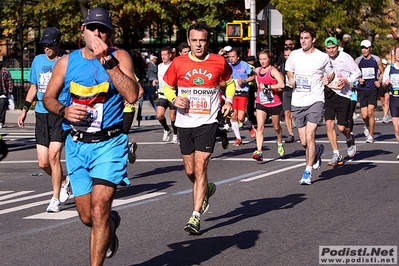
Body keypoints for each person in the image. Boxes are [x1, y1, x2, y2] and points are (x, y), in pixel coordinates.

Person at [42, 7, 140, 264]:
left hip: (110, 143)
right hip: (77, 145)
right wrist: (65, 111)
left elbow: (132, 95)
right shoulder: (67, 62)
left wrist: (107, 61)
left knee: (98, 209)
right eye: (93, 28)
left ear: (109, 33)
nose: (97, 33)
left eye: (103, 29)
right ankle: (110, 223)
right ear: (82, 30)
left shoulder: (120, 57)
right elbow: (48, 98)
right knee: (88, 217)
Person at [163, 22, 234, 234]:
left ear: (207, 41)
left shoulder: (219, 61)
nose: (198, 45)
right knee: (190, 170)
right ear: (189, 41)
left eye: (202, 40)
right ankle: (206, 189)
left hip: (207, 121)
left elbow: (229, 82)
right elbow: (167, 87)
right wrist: (174, 99)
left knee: (201, 167)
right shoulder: (178, 62)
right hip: (184, 123)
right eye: (194, 40)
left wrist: (229, 100)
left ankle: (195, 216)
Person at [17, 27, 71, 212]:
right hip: (41, 113)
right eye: (44, 45)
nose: (47, 48)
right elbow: (33, 87)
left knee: (53, 155)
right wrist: (24, 109)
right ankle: (64, 181)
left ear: (58, 44)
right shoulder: (38, 60)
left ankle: (55, 199)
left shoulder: (66, 61)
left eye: (50, 45)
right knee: (43, 162)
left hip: (59, 112)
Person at [285, 26, 334, 185]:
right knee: (304, 142)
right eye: (301, 38)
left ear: (313, 39)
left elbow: (331, 73)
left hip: (315, 99)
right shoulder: (294, 55)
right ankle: (318, 151)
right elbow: (289, 71)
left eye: (306, 38)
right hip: (298, 100)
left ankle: (308, 171)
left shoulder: (322, 57)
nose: (303, 41)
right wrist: (291, 78)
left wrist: (329, 79)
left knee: (310, 135)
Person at [324, 37, 361, 166]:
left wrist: (347, 80)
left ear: (337, 47)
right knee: (329, 124)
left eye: (333, 48)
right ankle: (336, 153)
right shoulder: (324, 59)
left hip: (344, 95)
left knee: (341, 128)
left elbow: (357, 72)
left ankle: (349, 138)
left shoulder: (346, 58)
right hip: (329, 95)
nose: (331, 51)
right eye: (328, 48)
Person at [252, 49, 285, 161]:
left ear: (269, 59)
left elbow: (282, 84)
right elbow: (256, 82)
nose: (262, 61)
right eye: (260, 59)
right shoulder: (257, 70)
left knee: (276, 127)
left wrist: (268, 87)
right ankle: (259, 151)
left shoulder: (273, 70)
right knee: (260, 127)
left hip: (274, 103)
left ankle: (279, 142)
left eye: (264, 59)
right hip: (261, 102)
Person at [355, 40, 384, 143]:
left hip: (372, 89)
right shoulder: (358, 60)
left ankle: (371, 135)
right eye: (363, 48)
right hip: (362, 89)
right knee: (364, 115)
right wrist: (359, 79)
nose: (364, 50)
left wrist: (379, 80)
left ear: (370, 48)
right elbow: (354, 74)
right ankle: (367, 125)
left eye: (366, 48)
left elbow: (382, 72)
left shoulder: (376, 59)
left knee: (370, 112)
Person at [226, 47, 256, 146]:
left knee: (241, 118)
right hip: (233, 94)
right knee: (233, 116)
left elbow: (253, 76)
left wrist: (244, 81)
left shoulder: (244, 65)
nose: (231, 59)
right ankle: (238, 138)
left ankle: (250, 126)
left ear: (238, 57)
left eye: (233, 57)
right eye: (229, 57)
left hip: (243, 93)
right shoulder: (228, 66)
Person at [154, 46, 178, 143]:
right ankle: (167, 129)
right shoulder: (159, 66)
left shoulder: (173, 65)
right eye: (162, 55)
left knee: (173, 117)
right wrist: (155, 81)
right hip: (162, 95)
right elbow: (159, 78)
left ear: (170, 55)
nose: (163, 57)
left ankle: (175, 135)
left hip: (172, 95)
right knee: (159, 115)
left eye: (165, 55)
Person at [382, 46, 399, 159]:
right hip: (394, 99)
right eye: (398, 52)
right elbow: (383, 83)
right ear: (395, 54)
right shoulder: (390, 68)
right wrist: (386, 82)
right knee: (396, 128)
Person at [281, 47, 296, 143]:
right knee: (287, 112)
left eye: (289, 55)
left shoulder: (298, 64)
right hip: (287, 90)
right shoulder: (283, 65)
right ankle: (290, 134)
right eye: (285, 55)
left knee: (297, 114)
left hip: (297, 91)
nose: (287, 57)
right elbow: (281, 76)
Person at [0, 63, 13, 128]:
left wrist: (9, 92)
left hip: (2, 93)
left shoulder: (5, 71)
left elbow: (9, 81)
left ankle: (1, 122)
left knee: (2, 108)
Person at [380, 58, 390, 123]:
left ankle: (385, 116)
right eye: (383, 64)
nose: (384, 65)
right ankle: (385, 114)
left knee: (386, 101)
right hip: (380, 87)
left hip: (387, 87)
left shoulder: (388, 70)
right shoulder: (379, 71)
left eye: (385, 64)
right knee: (383, 102)